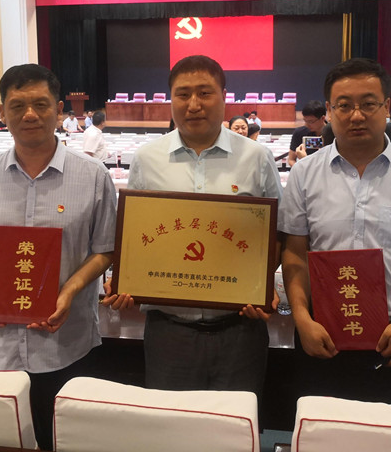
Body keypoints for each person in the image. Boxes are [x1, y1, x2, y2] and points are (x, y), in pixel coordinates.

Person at [279, 58, 391, 403]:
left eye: (368, 104)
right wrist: (302, 319)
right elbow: (294, 253)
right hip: (322, 335)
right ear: (329, 111)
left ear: (386, 107)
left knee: (389, 429)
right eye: (344, 106)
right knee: (320, 428)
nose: (356, 115)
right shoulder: (305, 174)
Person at [0, 64, 116, 451]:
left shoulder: (94, 176)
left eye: (40, 104)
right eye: (17, 106)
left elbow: (105, 250)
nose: (29, 114)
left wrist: (70, 289)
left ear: (58, 110)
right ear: (2, 111)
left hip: (67, 344)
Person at [104, 54, 281, 399]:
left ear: (224, 97)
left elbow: (277, 232)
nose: (194, 104)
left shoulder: (256, 157)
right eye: (183, 94)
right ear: (171, 99)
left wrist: (260, 284)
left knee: (235, 424)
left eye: (205, 93)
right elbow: (135, 233)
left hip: (240, 329)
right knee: (172, 424)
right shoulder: (148, 159)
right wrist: (126, 278)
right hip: (169, 332)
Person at [288, 100, 326, 167]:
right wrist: (301, 170)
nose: (306, 125)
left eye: (311, 122)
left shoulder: (334, 133)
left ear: (322, 118)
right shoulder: (299, 133)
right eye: (305, 121)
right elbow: (291, 160)